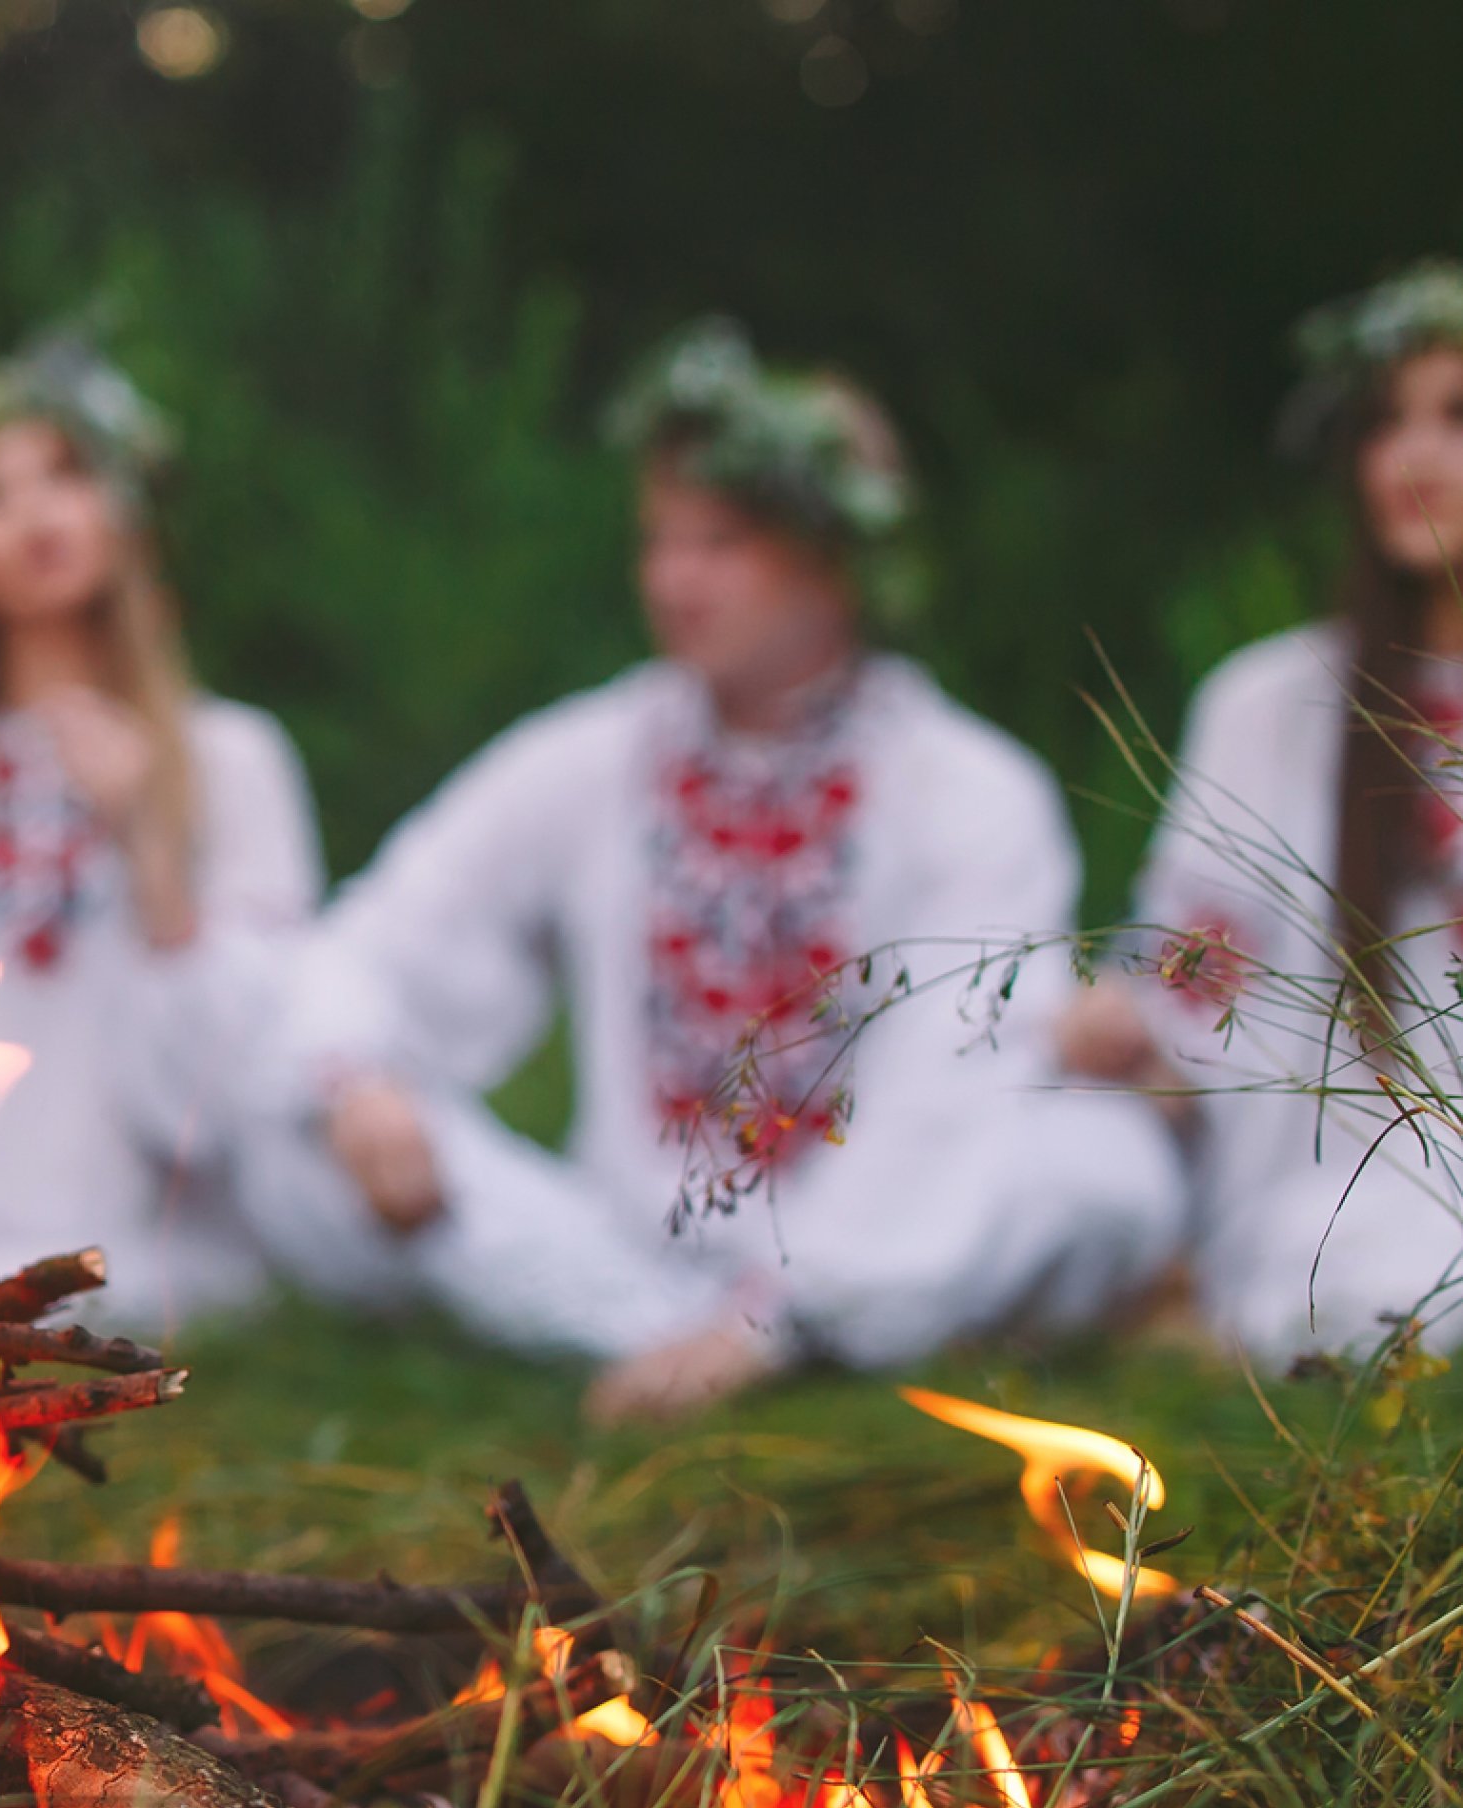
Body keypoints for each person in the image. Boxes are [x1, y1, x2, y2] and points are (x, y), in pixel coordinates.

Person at [242, 322, 1181, 1423]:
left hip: (884, 1228)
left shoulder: (969, 787)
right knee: (293, 1136)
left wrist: (780, 1308)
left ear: (837, 553)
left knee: (1109, 1172)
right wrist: (362, 1087)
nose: (673, 578)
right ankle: (691, 1334)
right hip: (623, 1247)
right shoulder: (590, 753)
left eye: (721, 540)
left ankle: (811, 1329)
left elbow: (945, 1085)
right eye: (658, 540)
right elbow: (383, 933)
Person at [0, 338, 324, 1326]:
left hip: (135, 1222)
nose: (34, 515)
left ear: (122, 505)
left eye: (64, 477)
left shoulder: (229, 756)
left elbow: (241, 1085)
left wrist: (150, 848)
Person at [1062, 264, 1463, 1365]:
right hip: (1351, 1177)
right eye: (1385, 425)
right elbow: (1198, 960)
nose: (1414, 458)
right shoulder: (1275, 704)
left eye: (1455, 418)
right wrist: (1129, 1010)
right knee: (1397, 1288)